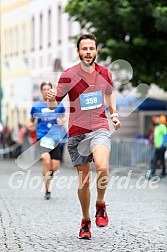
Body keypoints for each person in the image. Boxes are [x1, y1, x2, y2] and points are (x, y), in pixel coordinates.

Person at [46, 34, 121, 239]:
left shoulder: (105, 73)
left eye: (91, 48)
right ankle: (86, 220)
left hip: (99, 128)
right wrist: (51, 99)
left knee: (103, 167)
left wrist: (113, 113)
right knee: (85, 182)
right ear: (78, 52)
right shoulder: (68, 75)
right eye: (84, 49)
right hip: (77, 134)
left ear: (96, 51)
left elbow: (109, 92)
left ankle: (101, 204)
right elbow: (54, 105)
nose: (88, 52)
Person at [27, 82, 66, 200]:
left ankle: (48, 174)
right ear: (41, 91)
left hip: (55, 138)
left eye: (48, 89)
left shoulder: (58, 104)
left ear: (51, 91)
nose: (46, 91)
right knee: (46, 160)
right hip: (42, 137)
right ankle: (47, 189)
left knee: (54, 167)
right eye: (44, 89)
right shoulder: (36, 106)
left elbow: (64, 116)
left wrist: (62, 120)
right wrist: (29, 125)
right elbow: (31, 120)